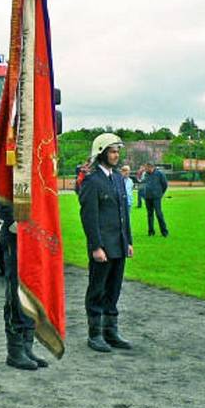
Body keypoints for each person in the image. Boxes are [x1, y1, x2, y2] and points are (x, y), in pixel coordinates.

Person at [78, 133, 134, 353]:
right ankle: (95, 334)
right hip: (103, 247)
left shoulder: (119, 178)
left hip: (119, 245)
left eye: (117, 151)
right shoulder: (92, 181)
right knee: (97, 290)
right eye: (112, 151)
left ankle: (111, 331)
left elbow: (124, 214)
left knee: (114, 289)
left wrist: (128, 241)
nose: (116, 155)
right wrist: (96, 247)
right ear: (101, 153)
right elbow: (89, 217)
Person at [0, 202, 49, 371]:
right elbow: (3, 203)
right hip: (16, 235)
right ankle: (15, 349)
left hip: (34, 235)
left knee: (31, 292)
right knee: (16, 292)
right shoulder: (11, 174)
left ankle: (27, 345)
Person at [143, 161, 169, 237]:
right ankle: (151, 232)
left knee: (159, 214)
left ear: (151, 167)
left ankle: (164, 232)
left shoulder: (160, 174)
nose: (146, 169)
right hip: (148, 197)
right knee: (149, 214)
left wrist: (160, 193)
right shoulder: (146, 174)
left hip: (156, 197)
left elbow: (165, 184)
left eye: (147, 168)